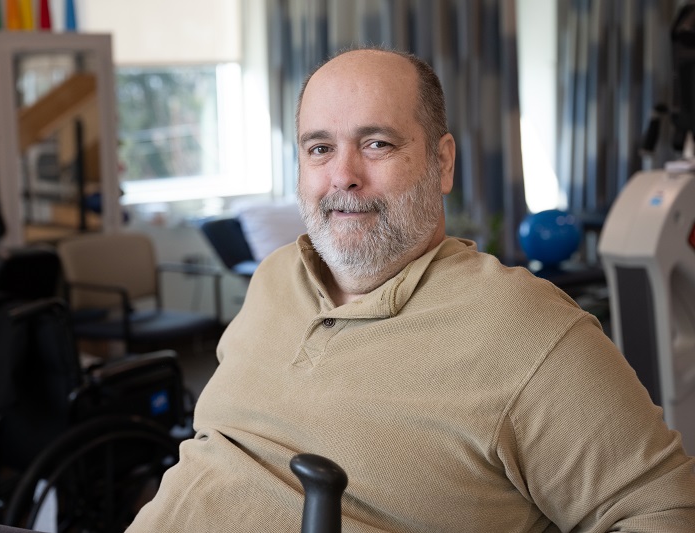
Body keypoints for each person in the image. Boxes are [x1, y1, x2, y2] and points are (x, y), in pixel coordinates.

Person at [127, 47, 695, 532]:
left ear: (441, 162)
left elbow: (663, 511)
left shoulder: (526, 329)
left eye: (376, 143)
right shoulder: (275, 277)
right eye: (319, 148)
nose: (343, 174)